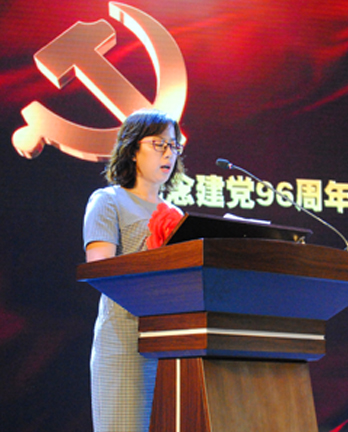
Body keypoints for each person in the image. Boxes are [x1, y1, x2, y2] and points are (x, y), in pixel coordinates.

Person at [83, 108, 185, 432]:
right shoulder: (108, 201)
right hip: (124, 342)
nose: (169, 153)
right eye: (159, 144)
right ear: (132, 149)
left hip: (170, 344)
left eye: (174, 145)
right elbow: (100, 271)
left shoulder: (176, 213)